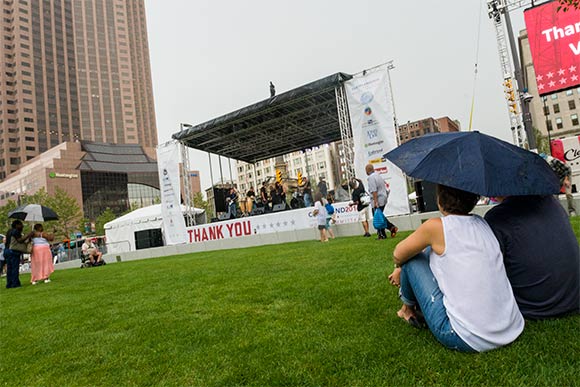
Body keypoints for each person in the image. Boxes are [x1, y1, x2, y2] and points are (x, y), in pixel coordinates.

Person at [388, 184, 524, 352]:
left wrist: (399, 266)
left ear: (439, 199)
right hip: (510, 327)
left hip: (464, 336)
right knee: (426, 249)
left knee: (411, 260)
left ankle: (407, 309)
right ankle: (407, 307)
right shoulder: (482, 224)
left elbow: (399, 254)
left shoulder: (435, 227)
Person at [484, 195, 579, 319]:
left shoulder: (497, 217)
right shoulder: (551, 202)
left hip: (534, 307)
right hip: (573, 300)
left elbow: (492, 273)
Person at [366, 164, 398, 239]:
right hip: (383, 197)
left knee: (378, 217)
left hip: (378, 199)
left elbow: (374, 190)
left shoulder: (371, 178)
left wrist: (375, 202)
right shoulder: (378, 175)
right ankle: (390, 229)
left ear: (367, 171)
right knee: (380, 216)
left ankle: (383, 233)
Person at [4, 220, 33, 289]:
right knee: (14, 268)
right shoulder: (15, 231)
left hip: (7, 250)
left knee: (9, 268)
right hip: (13, 251)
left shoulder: (9, 231)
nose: (22, 226)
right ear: (16, 225)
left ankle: (9, 283)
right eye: (21, 225)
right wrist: (28, 235)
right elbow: (20, 240)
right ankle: (15, 283)